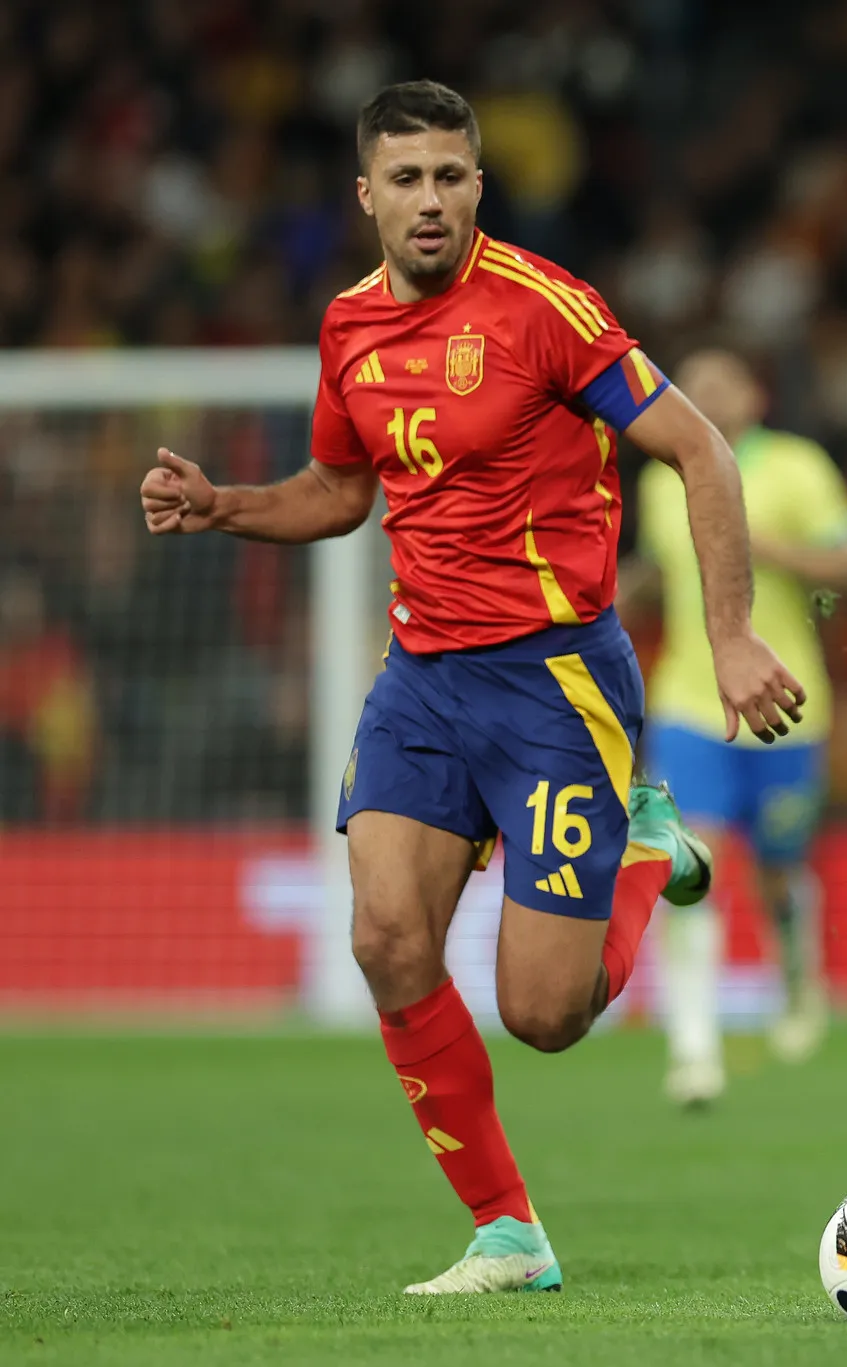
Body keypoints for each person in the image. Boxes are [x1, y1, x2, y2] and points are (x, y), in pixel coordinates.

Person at [137, 81, 803, 1295]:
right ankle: (509, 1229)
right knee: (387, 939)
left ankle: (647, 845)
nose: (429, 199)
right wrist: (226, 505)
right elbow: (342, 493)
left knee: (546, 1015)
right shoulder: (348, 328)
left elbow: (698, 447)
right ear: (366, 196)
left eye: (450, 175)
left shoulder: (547, 309)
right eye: (406, 179)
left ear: (478, 185)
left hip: (555, 682)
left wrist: (731, 633)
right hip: (423, 678)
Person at [636, 348, 847, 1104]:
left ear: (756, 393)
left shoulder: (796, 467)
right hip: (688, 702)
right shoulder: (658, 476)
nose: (705, 394)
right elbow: (659, 574)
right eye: (693, 383)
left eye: (722, 382)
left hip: (783, 705)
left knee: (779, 867)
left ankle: (800, 982)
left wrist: (763, 544)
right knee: (687, 866)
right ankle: (693, 1047)